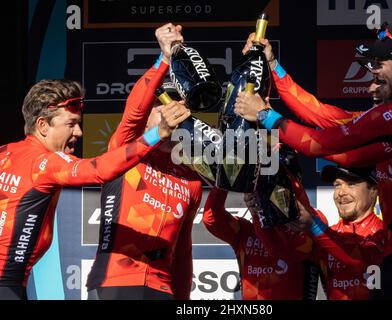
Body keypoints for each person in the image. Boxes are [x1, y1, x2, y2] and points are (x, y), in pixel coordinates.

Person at [235, 22, 392, 300]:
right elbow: (339, 143)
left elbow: (321, 144)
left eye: (379, 66)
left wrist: (265, 116)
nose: (373, 78)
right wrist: (274, 68)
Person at [0, 73, 189, 299]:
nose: (79, 132)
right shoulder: (45, 163)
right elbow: (100, 170)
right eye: (71, 124)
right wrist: (156, 134)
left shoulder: (4, 152)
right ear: (42, 125)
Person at [86, 23, 203, 300]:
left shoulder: (192, 179)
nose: (170, 110)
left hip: (162, 288)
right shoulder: (126, 149)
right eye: (160, 103)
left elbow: (184, 252)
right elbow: (133, 113)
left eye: (177, 104)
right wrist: (164, 58)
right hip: (114, 281)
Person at [245, 165, 385, 300]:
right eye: (337, 185)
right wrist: (259, 212)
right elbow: (283, 252)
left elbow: (359, 261)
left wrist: (314, 226)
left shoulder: (387, 234)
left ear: (374, 189)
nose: (341, 192)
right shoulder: (326, 236)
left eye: (351, 184)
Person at [203, 187, 320, 300]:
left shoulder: (308, 225)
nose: (258, 197)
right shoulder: (244, 231)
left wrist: (262, 213)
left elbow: (283, 249)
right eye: (253, 193)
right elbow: (211, 219)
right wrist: (224, 182)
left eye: (263, 192)